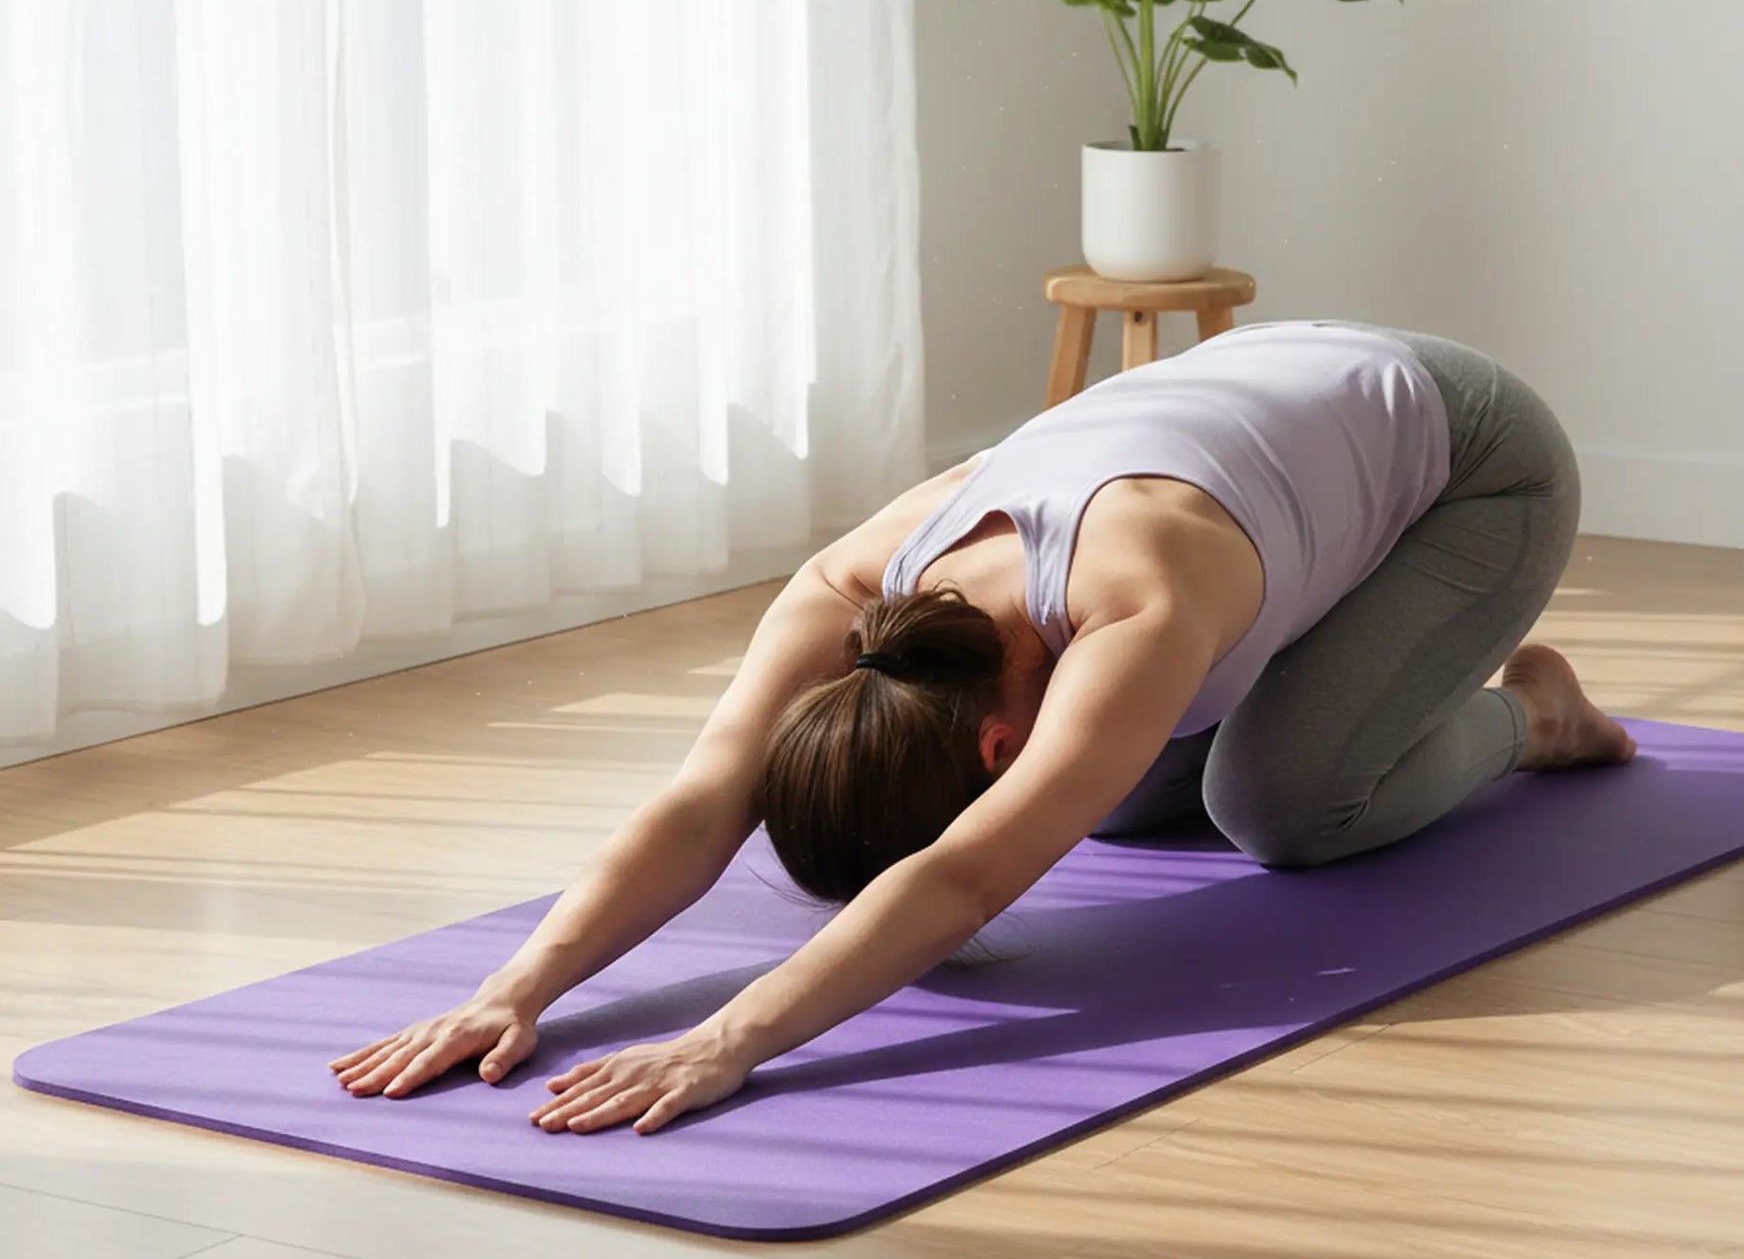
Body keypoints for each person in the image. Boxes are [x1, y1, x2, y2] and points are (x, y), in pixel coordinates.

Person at [331, 321, 1633, 1136]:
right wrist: (515, 991)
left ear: (992, 749)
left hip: (1463, 462)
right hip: (1283, 443)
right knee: (1115, 792)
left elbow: (962, 872)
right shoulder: (851, 592)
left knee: (1284, 808)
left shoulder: (1134, 594)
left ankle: (1530, 713)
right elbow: (697, 800)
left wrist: (729, 1036)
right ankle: (1350, 660)